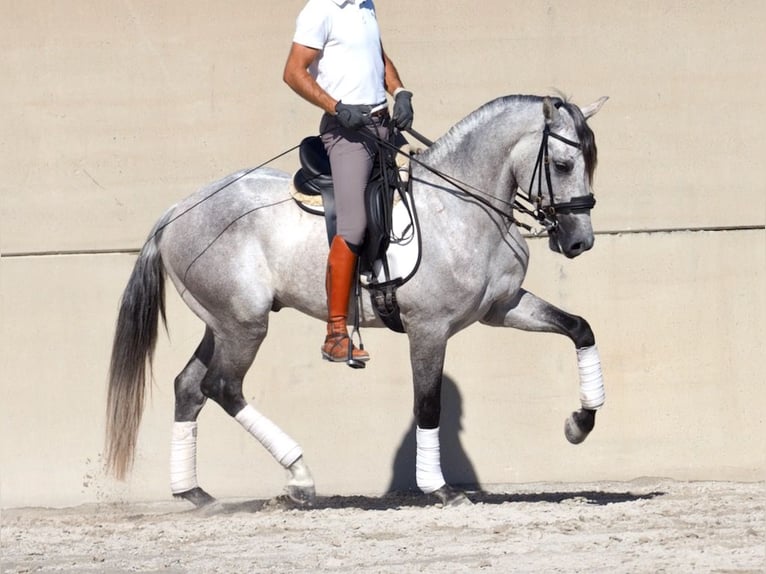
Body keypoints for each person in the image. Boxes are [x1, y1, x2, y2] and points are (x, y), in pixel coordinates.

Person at [283, 0, 414, 366]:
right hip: (346, 134)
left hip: (382, 126)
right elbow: (293, 72)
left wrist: (399, 91)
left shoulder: (366, 6)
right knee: (353, 226)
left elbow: (378, 57)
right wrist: (336, 106)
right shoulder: (320, 10)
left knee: (422, 191)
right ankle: (336, 333)